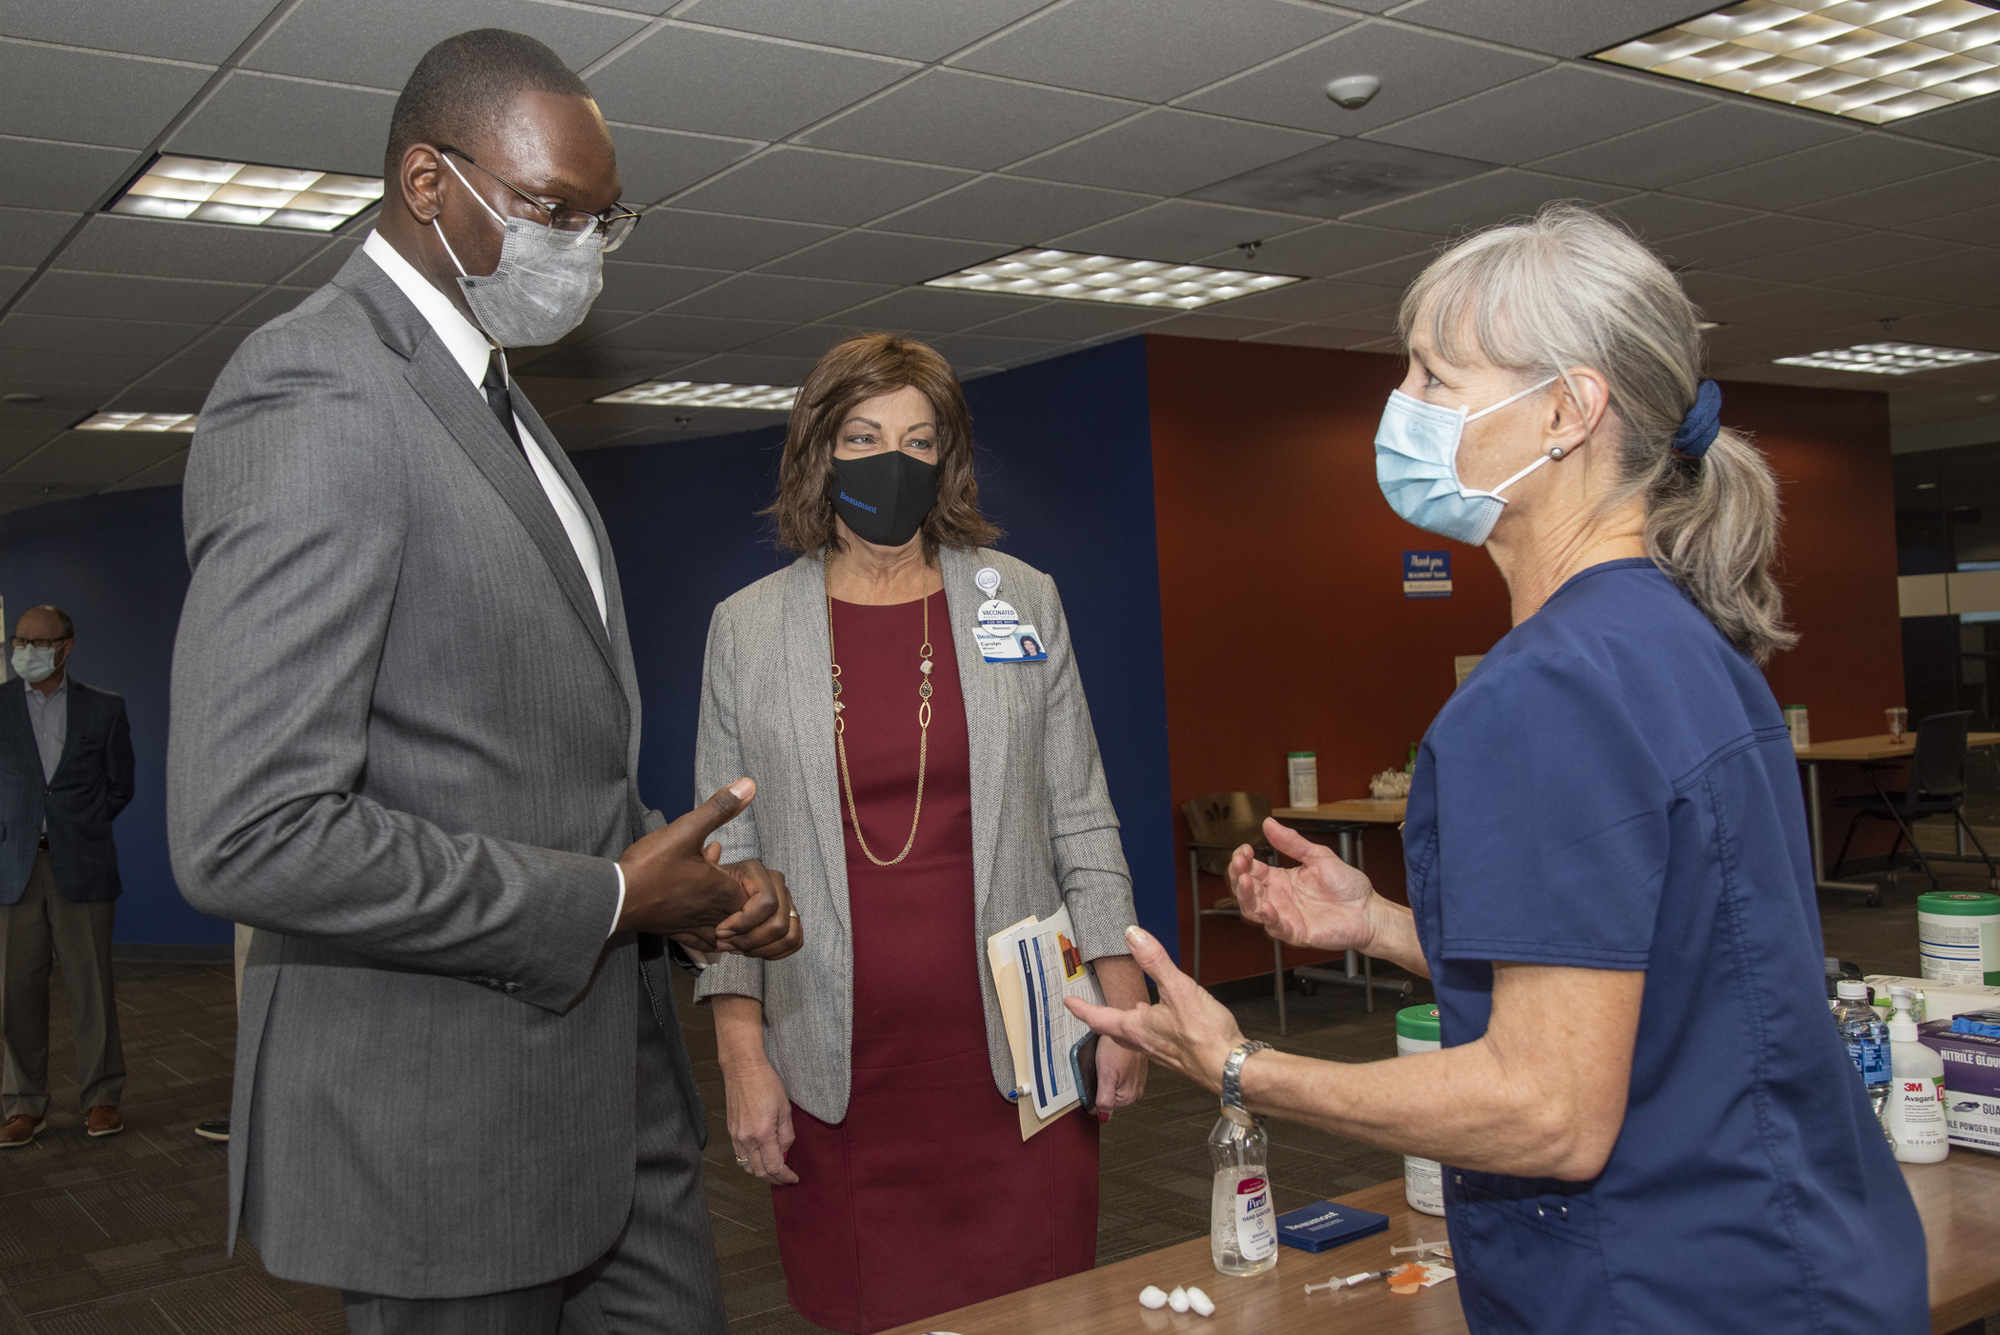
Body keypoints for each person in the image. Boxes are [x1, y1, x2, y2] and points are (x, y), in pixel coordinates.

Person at [1072, 205, 1926, 1334]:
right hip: (1793, 1258)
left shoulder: (1544, 691)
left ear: (1568, 411)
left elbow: (1545, 1113)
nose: (1401, 412)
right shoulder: (1674, 639)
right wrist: (1380, 924)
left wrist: (1239, 1067)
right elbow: (1659, 969)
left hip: (1667, 1286)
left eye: (1433, 377)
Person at [168, 29, 801, 1332]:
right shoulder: (317, 388)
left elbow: (511, 754)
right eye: (548, 210)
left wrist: (678, 889)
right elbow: (250, 832)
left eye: (601, 217)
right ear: (425, 183)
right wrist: (610, 891)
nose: (580, 245)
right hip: (446, 1134)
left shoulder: (504, 409)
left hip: (611, 1096)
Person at [696, 334, 1150, 1333]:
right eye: (861, 436)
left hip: (1018, 1052)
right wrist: (740, 1053)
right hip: (834, 1065)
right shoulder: (746, 629)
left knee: (1042, 1312)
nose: (890, 463)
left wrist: (1121, 994)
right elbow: (729, 862)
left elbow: (1078, 810)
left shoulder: (1022, 600)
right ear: (818, 451)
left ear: (947, 459)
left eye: (917, 439)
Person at [0, 605, 134, 1147]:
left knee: (92, 988)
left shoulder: (104, 708)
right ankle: (22, 1104)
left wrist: (81, 825)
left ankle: (101, 1098)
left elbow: (120, 785)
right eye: (20, 640)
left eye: (39, 642)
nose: (26, 650)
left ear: (67, 647)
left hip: (82, 864)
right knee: (15, 992)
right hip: (13, 870)